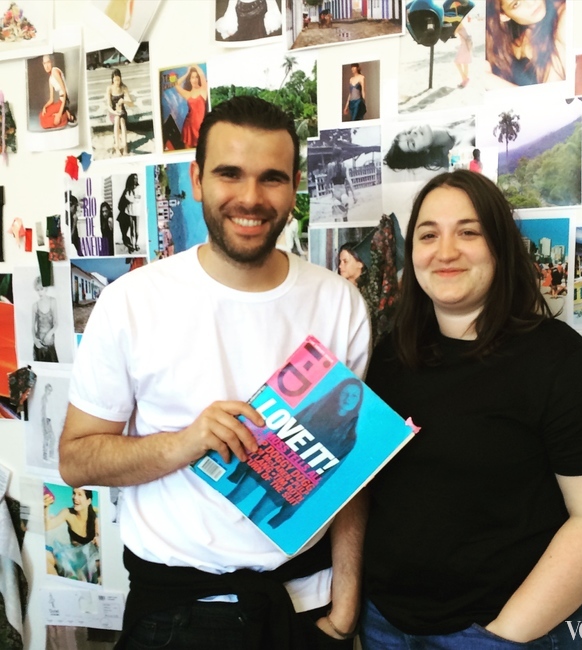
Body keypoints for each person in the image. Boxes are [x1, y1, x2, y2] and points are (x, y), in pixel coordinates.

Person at [58, 95, 370, 650]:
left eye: (272, 178)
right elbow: (76, 460)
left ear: (295, 187)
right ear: (198, 179)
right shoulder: (131, 301)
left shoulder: (339, 303)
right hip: (175, 615)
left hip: (306, 609)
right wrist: (186, 443)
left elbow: (353, 469)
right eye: (230, 174)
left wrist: (344, 611)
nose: (250, 198)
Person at [359, 169, 582, 649]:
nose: (445, 251)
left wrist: (503, 636)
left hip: (503, 631)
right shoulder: (389, 357)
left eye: (469, 232)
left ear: (500, 247)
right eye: (428, 235)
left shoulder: (562, 363)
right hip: (387, 624)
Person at [227, 377, 364, 528]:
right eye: (345, 393)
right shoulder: (315, 409)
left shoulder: (349, 438)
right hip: (273, 462)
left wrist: (291, 509)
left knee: (256, 516)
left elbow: (324, 476)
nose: (348, 398)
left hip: (293, 481)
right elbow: (281, 433)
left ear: (358, 401)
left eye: (354, 396)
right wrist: (247, 464)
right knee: (234, 497)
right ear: (337, 394)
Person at [485, 0, 566, 89]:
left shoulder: (565, 15)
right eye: (516, 4)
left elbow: (549, 94)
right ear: (503, 15)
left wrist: (488, 80)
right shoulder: (505, 48)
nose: (531, 3)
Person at [44, 487, 100, 583]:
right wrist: (46, 507)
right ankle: (57, 585)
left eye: (80, 494)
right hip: (70, 557)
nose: (75, 497)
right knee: (46, 556)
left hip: (88, 560)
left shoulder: (95, 520)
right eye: (74, 493)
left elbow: (101, 541)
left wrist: (98, 541)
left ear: (88, 501)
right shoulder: (68, 513)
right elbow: (47, 526)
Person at [384, 123, 473, 172]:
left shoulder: (453, 123)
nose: (414, 133)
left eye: (408, 132)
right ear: (423, 152)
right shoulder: (458, 156)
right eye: (412, 143)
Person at [175, 65, 208, 149]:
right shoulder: (188, 94)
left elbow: (201, 74)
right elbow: (176, 84)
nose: (194, 79)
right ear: (189, 79)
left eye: (196, 77)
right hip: (188, 128)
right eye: (192, 77)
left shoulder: (203, 90)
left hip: (201, 128)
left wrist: (194, 65)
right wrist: (187, 73)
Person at [40, 54, 76, 129]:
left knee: (49, 121)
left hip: (64, 101)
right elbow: (51, 99)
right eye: (44, 63)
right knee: (42, 116)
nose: (46, 66)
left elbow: (64, 91)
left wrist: (59, 114)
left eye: (48, 62)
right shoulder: (50, 79)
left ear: (52, 62)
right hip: (60, 101)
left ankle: (67, 116)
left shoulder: (55, 71)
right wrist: (45, 107)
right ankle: (65, 113)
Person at [215, 0, 282, 41]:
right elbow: (230, 20)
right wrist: (230, 27)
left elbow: (274, 20)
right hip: (241, 38)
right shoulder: (233, 1)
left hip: (260, 36)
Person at [106, 69, 133, 156]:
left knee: (122, 121)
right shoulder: (109, 88)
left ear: (121, 79)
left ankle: (125, 146)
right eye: (115, 80)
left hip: (122, 111)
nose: (117, 82)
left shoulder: (124, 87)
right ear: (112, 80)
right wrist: (114, 112)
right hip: (113, 112)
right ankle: (117, 146)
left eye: (118, 80)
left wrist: (124, 101)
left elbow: (131, 104)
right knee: (117, 119)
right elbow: (108, 106)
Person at [32, 276, 58, 363]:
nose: (40, 292)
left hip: (50, 343)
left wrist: (49, 334)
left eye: (41, 289)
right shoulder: (35, 305)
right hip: (39, 344)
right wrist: (35, 340)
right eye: (38, 290)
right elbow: (32, 327)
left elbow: (56, 323)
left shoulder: (52, 301)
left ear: (46, 288)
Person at [326, 148, 356, 221]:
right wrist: (354, 196)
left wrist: (327, 188)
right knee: (345, 216)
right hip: (343, 193)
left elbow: (328, 180)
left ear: (333, 156)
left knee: (336, 218)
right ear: (341, 156)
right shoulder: (344, 166)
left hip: (335, 193)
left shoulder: (330, 166)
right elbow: (349, 181)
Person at [116, 173, 141, 253]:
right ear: (131, 179)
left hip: (137, 211)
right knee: (131, 231)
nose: (135, 180)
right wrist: (133, 198)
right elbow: (129, 199)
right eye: (134, 178)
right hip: (129, 212)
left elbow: (139, 198)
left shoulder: (139, 188)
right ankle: (132, 245)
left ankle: (136, 244)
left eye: (136, 178)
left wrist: (133, 198)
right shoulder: (127, 189)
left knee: (137, 231)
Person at [454, 22, 472, 89]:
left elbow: (454, 34)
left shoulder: (458, 24)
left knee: (457, 62)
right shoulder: (460, 24)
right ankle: (464, 81)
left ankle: (464, 78)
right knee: (465, 63)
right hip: (466, 46)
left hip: (464, 46)